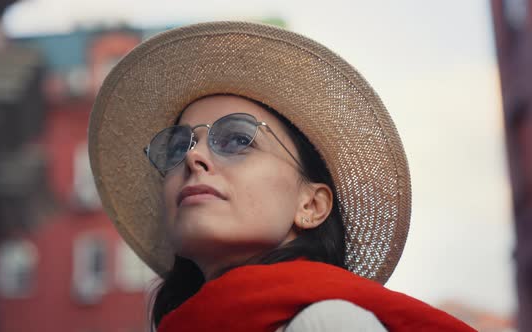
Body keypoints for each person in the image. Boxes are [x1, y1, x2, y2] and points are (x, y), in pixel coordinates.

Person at [88, 21, 475, 331]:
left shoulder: (326, 323)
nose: (194, 158)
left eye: (238, 139)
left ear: (311, 205)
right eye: (176, 148)